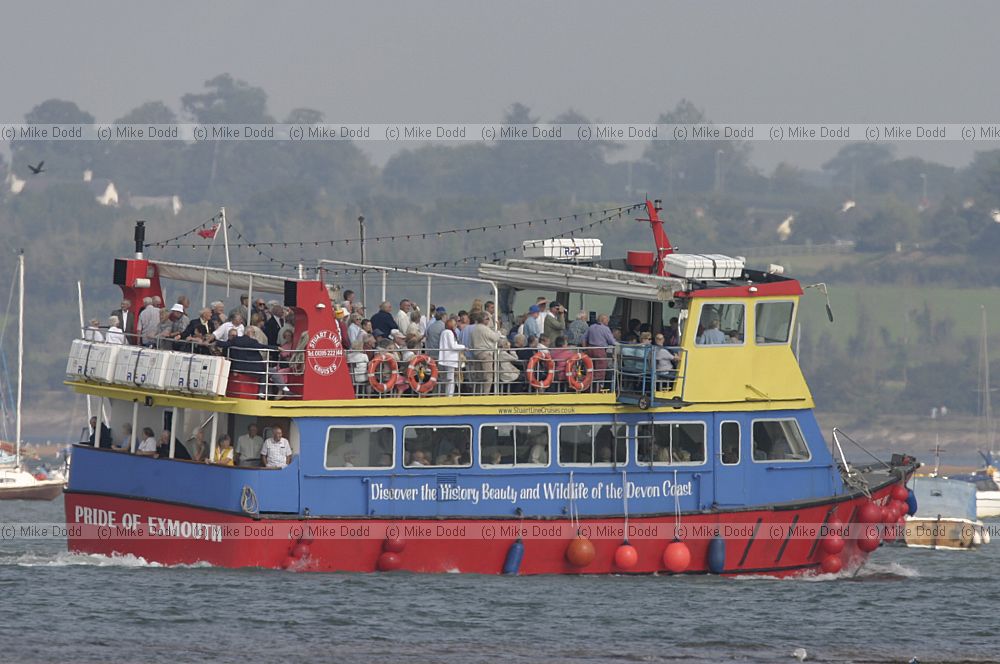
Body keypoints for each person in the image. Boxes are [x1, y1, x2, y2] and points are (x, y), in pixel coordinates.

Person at [469, 312, 504, 394]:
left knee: (479, 377)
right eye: (487, 319)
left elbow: (471, 343)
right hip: (486, 353)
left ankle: (478, 393)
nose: (489, 320)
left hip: (476, 354)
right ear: (483, 320)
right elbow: (495, 338)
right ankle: (486, 394)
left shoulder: (474, 329)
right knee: (488, 377)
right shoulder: (484, 329)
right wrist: (498, 331)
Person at [582, 314, 615, 387]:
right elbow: (612, 341)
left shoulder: (591, 327)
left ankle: (588, 386)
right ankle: (598, 387)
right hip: (600, 350)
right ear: (603, 320)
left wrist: (585, 349)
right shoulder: (605, 328)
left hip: (590, 349)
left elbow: (583, 338)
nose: (608, 322)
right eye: (607, 320)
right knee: (600, 370)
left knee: (590, 369)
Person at [438, 317, 466, 397]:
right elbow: (453, 346)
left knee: (450, 378)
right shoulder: (449, 333)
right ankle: (450, 395)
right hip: (450, 359)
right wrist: (463, 347)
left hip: (447, 358)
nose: (456, 325)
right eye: (454, 324)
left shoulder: (444, 332)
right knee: (451, 379)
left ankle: (449, 394)